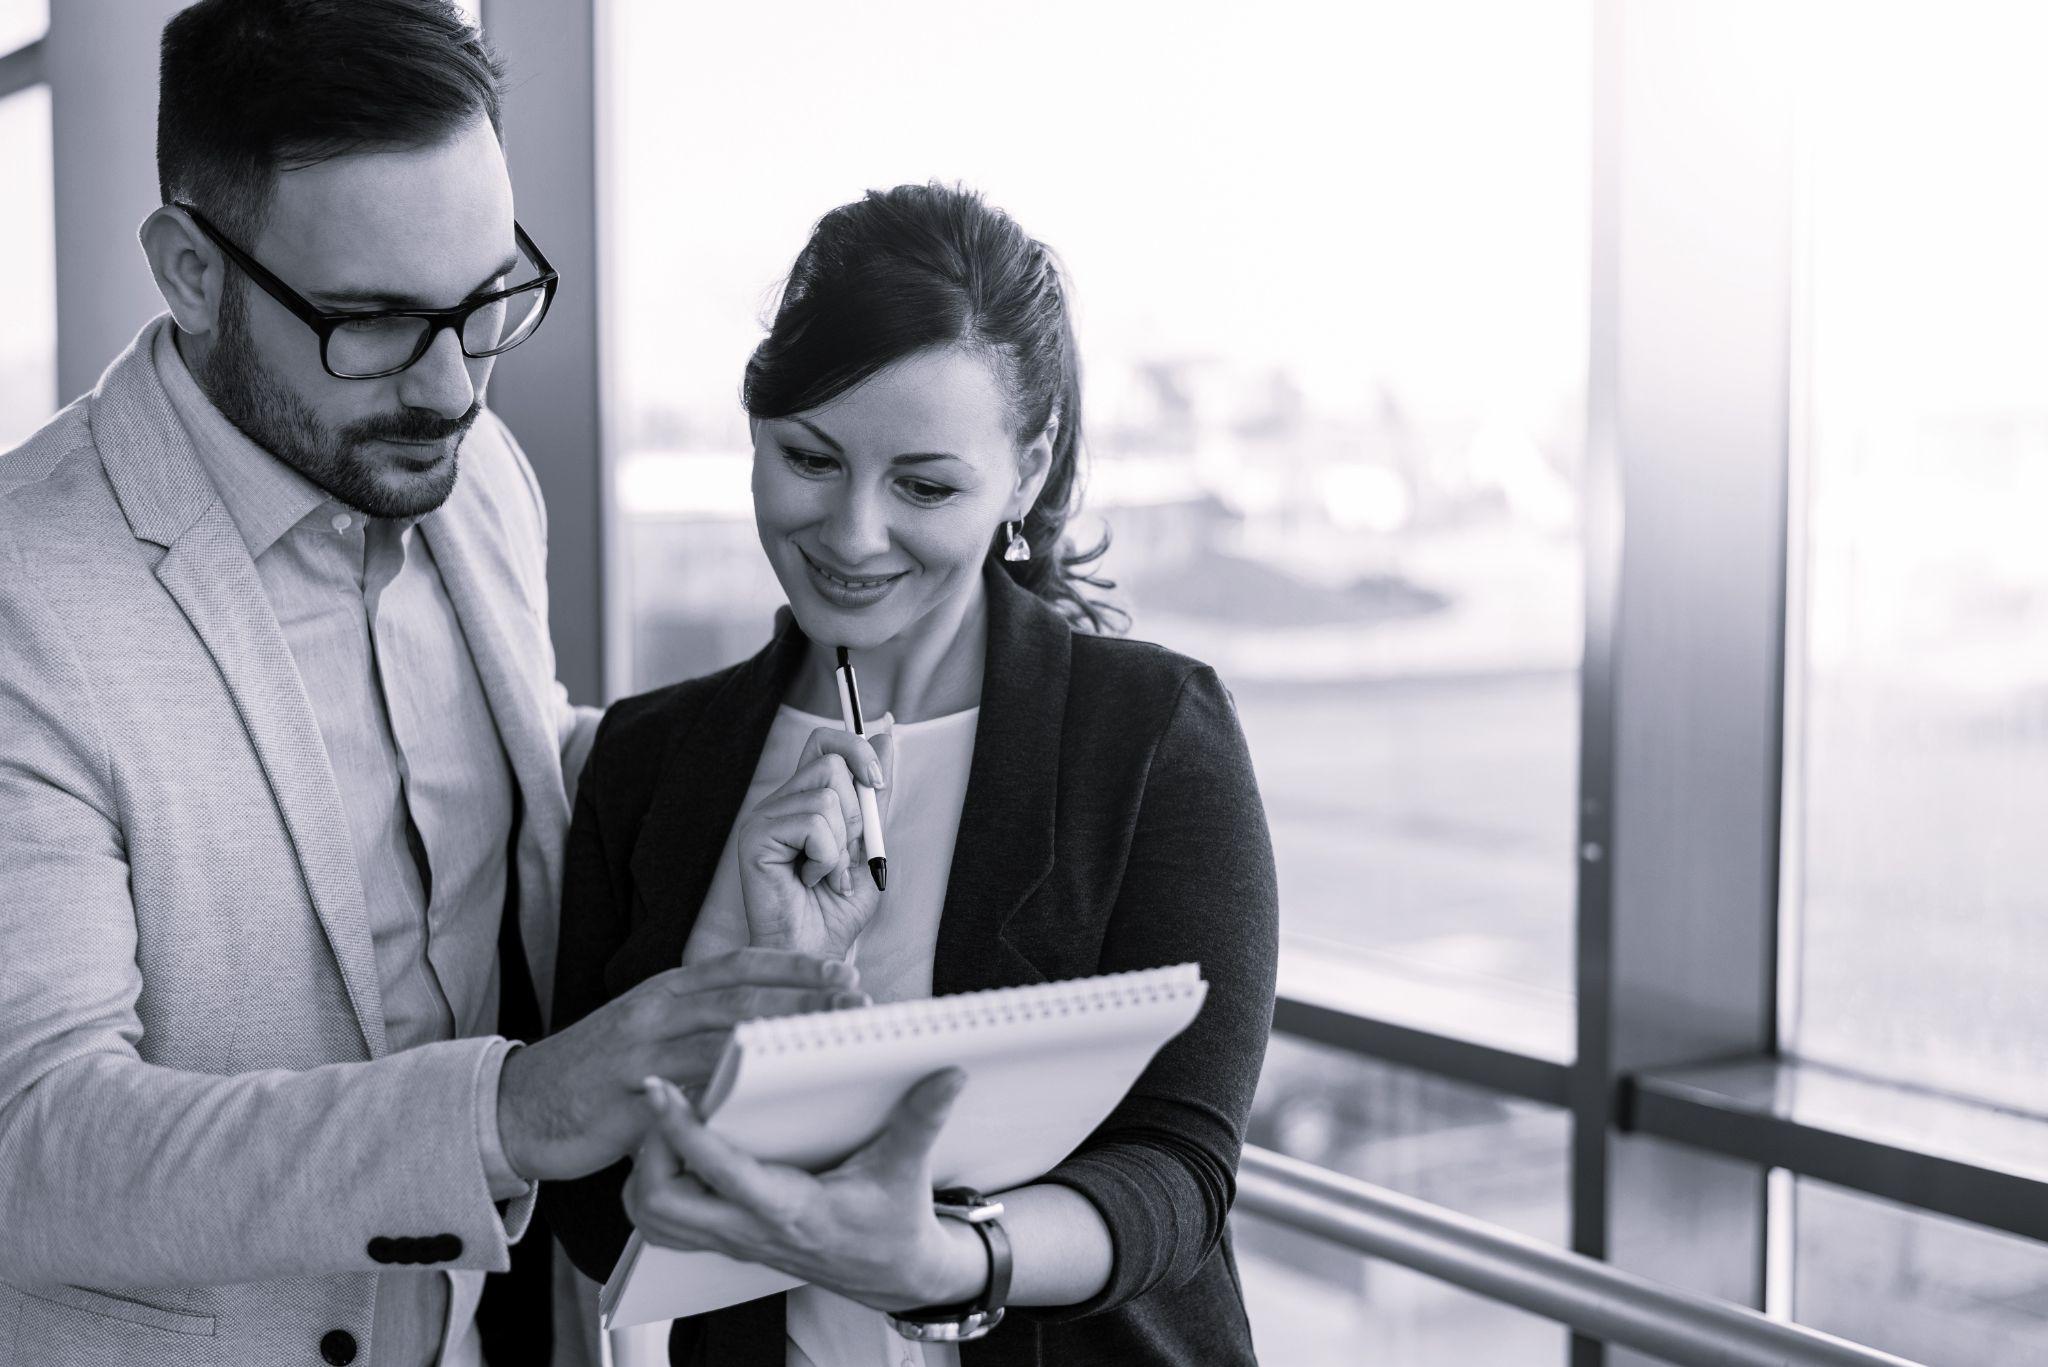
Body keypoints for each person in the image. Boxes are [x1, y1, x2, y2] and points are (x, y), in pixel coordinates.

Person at [0, 4, 853, 1365]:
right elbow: (31, 1146)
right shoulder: (26, 601)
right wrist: (511, 1111)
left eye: (485, 298)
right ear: (190, 272)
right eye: (377, 323)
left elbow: (500, 779)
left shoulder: (472, 479)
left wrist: (731, 795)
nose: (454, 385)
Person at [543, 183, 1280, 1367]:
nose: (851, 533)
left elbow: (1181, 1172)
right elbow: (587, 1210)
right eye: (810, 459)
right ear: (754, 429)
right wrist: (752, 969)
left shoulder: (1146, 734)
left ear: (1026, 471)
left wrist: (946, 1262)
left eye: (924, 485)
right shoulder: (645, 763)